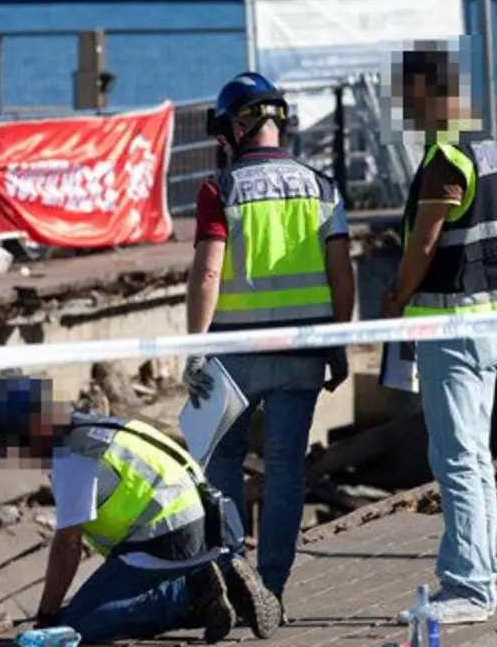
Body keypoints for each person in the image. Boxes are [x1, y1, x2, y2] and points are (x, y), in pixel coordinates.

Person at [183, 71, 357, 619]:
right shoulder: (323, 187)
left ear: (238, 125)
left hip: (235, 355)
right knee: (285, 470)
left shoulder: (221, 189)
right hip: (304, 351)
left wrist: (193, 349)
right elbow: (341, 275)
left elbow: (207, 276)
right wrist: (339, 342)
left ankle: (233, 574)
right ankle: (272, 590)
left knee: (221, 463)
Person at [0, 375, 280, 643]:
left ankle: (193, 591)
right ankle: (224, 589)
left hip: (164, 539)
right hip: (200, 521)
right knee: (95, 606)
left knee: (80, 625)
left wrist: (46, 616)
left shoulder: (73, 457)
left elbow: (67, 547)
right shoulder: (102, 426)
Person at [383, 42, 497, 625]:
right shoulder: (484, 146)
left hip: (454, 319)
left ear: (428, 91)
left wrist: (396, 297)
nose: (403, 109)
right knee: (476, 456)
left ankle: (468, 585)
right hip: (491, 317)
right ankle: (477, 573)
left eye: (406, 97)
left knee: (457, 457)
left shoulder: (445, 155)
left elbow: (427, 243)